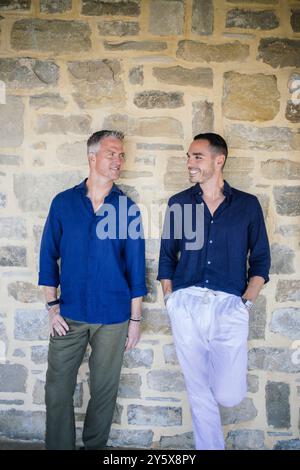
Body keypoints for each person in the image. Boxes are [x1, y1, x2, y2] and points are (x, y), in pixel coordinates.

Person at [157, 133, 270, 450]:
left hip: (229, 307)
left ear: (218, 160)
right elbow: (168, 256)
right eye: (189, 157)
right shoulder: (180, 203)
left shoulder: (247, 206)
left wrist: (245, 303)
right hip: (186, 304)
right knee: (197, 389)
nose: (190, 163)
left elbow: (260, 260)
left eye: (197, 157)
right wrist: (171, 299)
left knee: (228, 394)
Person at [39, 130, 147, 450]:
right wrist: (51, 307)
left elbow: (136, 269)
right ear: (92, 157)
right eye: (112, 153)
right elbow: (48, 257)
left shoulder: (127, 209)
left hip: (112, 317)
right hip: (68, 313)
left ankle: (95, 448)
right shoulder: (63, 203)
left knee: (104, 390)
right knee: (57, 389)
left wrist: (135, 320)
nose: (118, 160)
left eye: (122, 155)